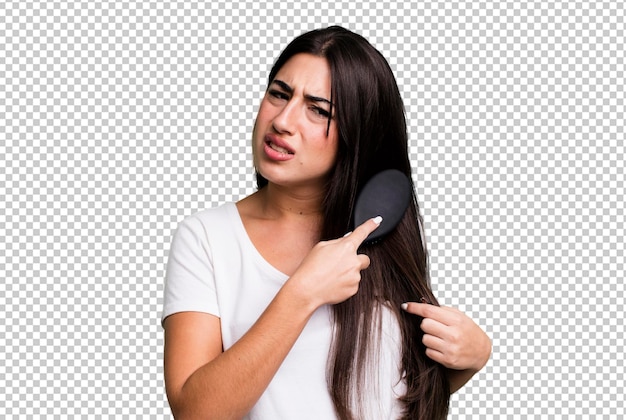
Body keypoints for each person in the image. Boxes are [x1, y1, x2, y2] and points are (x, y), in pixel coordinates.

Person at [162, 26, 491, 420]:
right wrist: (301, 293)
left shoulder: (378, 233)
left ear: (358, 134)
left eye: (318, 110)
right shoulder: (207, 238)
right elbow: (196, 412)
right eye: (279, 94)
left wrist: (466, 361)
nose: (283, 121)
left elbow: (387, 395)